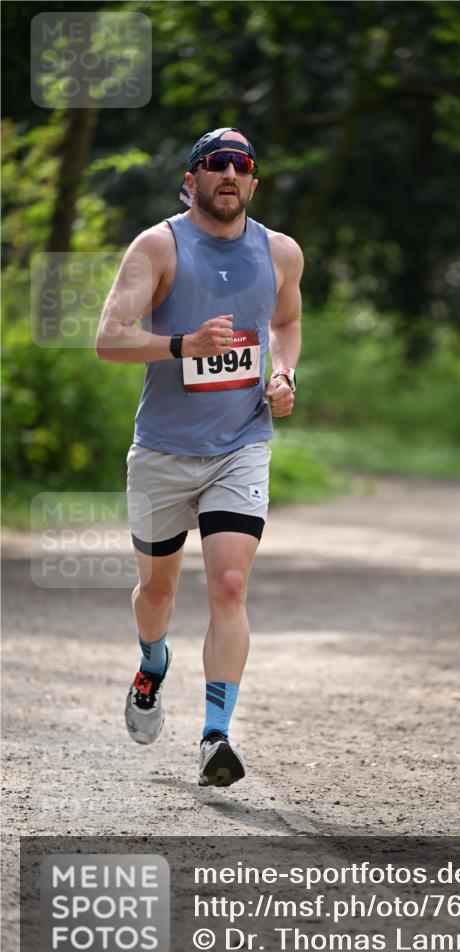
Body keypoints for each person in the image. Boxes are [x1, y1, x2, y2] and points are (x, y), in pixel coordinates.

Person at [96, 127, 303, 787]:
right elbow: (108, 338)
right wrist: (182, 345)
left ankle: (216, 736)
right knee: (157, 592)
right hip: (162, 450)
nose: (230, 174)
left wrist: (284, 375)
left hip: (240, 445)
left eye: (242, 165)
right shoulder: (157, 247)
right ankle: (153, 663)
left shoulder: (280, 252)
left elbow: (286, 322)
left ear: (253, 183)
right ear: (191, 180)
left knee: (230, 585)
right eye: (216, 163)